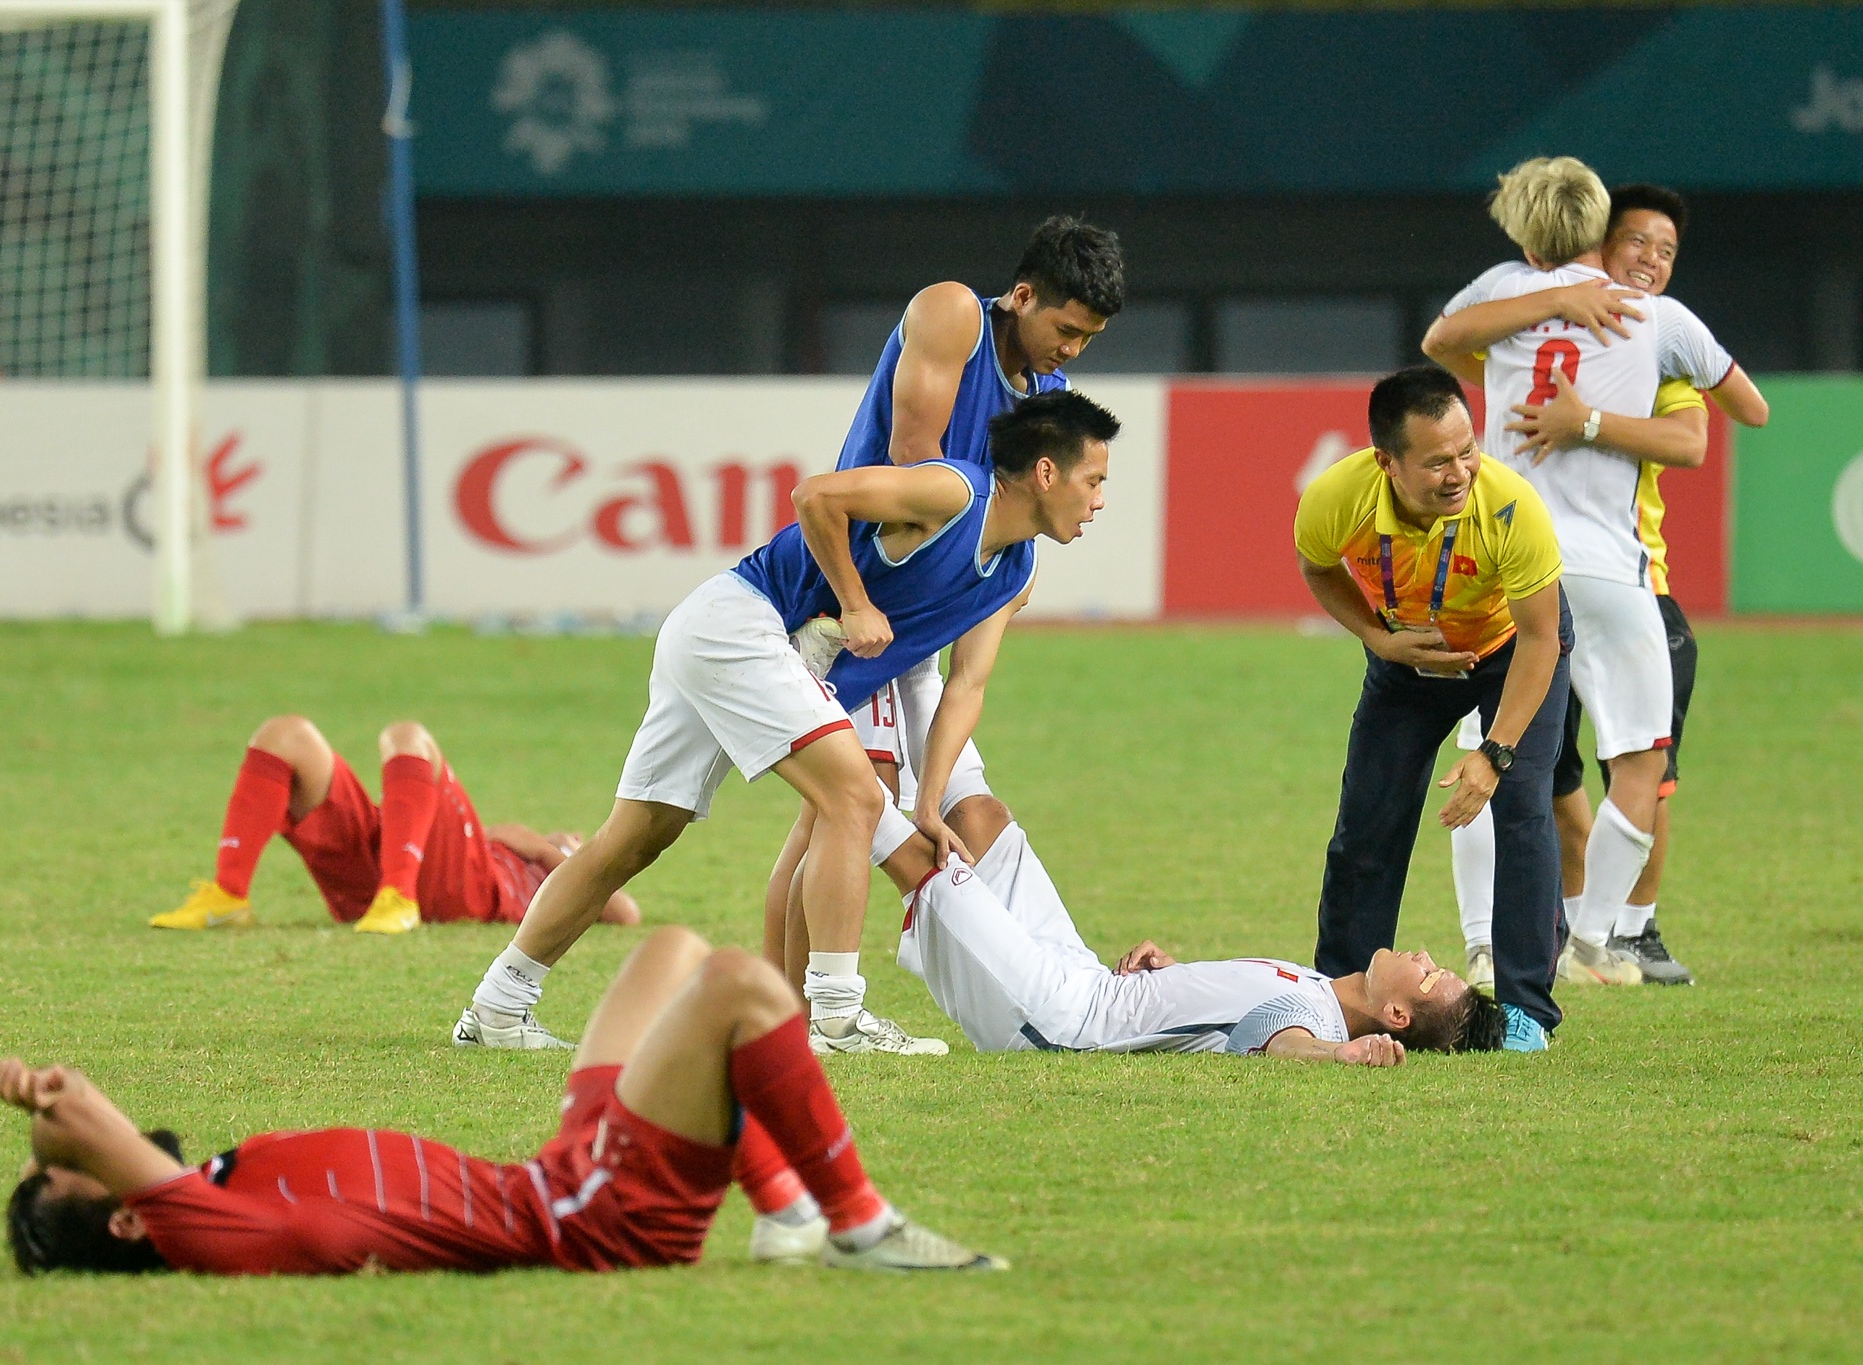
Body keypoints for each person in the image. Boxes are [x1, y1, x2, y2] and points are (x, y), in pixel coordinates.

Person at [455, 391, 1117, 1052]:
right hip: (741, 625)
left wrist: (930, 803)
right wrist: (855, 603)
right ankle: (835, 1018)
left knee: (635, 837)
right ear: (1045, 472)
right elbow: (816, 496)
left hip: (717, 634)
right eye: (1093, 481)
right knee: (854, 799)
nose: (1099, 502)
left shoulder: (1016, 571)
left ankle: (497, 1007)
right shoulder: (955, 494)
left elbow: (966, 685)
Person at [0, 929, 1005, 1276]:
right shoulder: (201, 1228)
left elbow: (81, 1134)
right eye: (56, 1173)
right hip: (596, 1217)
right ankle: (859, 1224)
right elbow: (76, 1117)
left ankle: (783, 1212)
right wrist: (36, 1096)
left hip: (556, 1178)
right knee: (740, 985)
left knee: (673, 953)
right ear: (125, 1216)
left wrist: (52, 1129)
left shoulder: (211, 1191)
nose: (53, 1148)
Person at [763, 216, 1126, 1050]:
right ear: (1022, 295)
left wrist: (995, 584)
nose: (1072, 349)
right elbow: (913, 469)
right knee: (845, 810)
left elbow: (1002, 549)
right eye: (1066, 328)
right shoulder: (953, 314)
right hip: (865, 607)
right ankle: (793, 1023)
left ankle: (785, 1021)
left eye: (1089, 338)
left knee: (948, 812)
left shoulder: (1044, 397)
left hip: (922, 630)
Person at [1442, 184, 1769, 989]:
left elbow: (1690, 440)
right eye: (1637, 243)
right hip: (1602, 570)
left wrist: (1583, 419)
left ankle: (1608, 930)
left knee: (1505, 750)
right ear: (1599, 239)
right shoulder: (1657, 322)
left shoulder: (1517, 302)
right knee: (1606, 762)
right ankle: (1579, 935)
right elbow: (1749, 409)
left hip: (1547, 564)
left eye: (1667, 250)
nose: (1650, 261)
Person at [1295, 366, 1570, 1052]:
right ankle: (1339, 994)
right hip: (1408, 657)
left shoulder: (1511, 507)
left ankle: (1526, 1011)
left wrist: (1494, 752)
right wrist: (1379, 638)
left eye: (1467, 450)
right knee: (1369, 821)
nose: (1460, 473)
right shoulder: (1336, 498)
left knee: (1523, 809)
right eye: (1438, 461)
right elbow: (1318, 568)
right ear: (1386, 462)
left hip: (1510, 651)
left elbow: (1543, 638)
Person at [873, 797, 1504, 1059]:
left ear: (1396, 1015)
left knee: (921, 859)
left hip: (1059, 1020)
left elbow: (1269, 1042)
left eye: (1430, 975)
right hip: (1089, 978)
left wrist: (1338, 1055)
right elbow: (1229, 1015)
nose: (1424, 954)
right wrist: (1173, 980)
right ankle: (899, 676)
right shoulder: (1321, 988)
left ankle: (824, 724)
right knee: (979, 816)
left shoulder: (1319, 1024)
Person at [150, 716, 639, 937]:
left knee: (408, 735)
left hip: (462, 896)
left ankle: (399, 898)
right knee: (285, 733)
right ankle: (228, 896)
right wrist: (536, 843)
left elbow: (626, 915)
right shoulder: (503, 845)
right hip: (382, 874)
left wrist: (551, 851)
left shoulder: (554, 874)